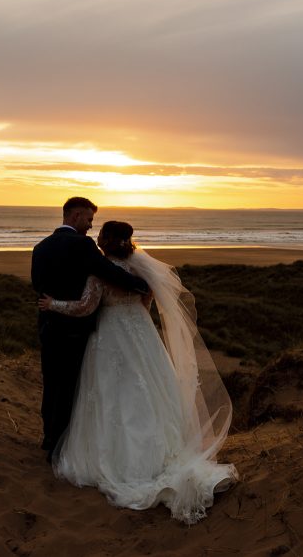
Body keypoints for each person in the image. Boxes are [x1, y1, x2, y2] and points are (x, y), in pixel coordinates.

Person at [38, 220, 237, 524]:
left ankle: (126, 464)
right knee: (151, 392)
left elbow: (85, 308)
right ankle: (164, 453)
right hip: (142, 335)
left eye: (101, 234)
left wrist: (53, 304)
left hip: (110, 337)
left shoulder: (100, 272)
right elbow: (147, 302)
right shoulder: (140, 271)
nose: (96, 236)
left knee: (112, 395)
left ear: (106, 240)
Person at [31, 197, 150, 461]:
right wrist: (140, 284)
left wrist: (50, 304)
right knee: (72, 387)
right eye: (88, 219)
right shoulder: (82, 244)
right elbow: (107, 271)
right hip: (75, 329)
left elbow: (37, 284)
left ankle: (50, 438)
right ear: (74, 217)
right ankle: (62, 446)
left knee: (52, 384)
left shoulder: (40, 248)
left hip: (49, 327)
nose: (90, 225)